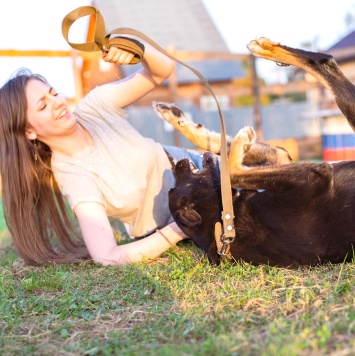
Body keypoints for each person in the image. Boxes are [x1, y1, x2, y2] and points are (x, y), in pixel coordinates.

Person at [0, 42, 204, 266]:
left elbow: (162, 70)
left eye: (54, 93)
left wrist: (135, 47)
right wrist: (180, 228)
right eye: (42, 106)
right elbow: (106, 255)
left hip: (197, 167)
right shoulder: (73, 175)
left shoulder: (95, 107)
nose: (57, 103)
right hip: (178, 215)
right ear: (29, 131)